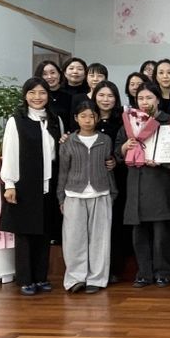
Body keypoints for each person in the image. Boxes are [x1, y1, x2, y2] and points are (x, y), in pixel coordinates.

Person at [0, 77, 64, 296]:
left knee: (44, 231)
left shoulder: (55, 120)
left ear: (48, 95)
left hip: (49, 183)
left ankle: (41, 277)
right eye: (32, 93)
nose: (37, 97)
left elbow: (58, 151)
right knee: (25, 232)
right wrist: (9, 184)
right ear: (25, 95)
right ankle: (25, 279)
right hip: (25, 183)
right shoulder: (16, 120)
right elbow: (9, 152)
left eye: (42, 93)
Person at [115, 82, 170, 288]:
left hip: (160, 182)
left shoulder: (169, 122)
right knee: (138, 232)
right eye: (140, 98)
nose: (144, 102)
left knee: (161, 233)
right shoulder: (130, 122)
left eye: (149, 98)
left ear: (158, 99)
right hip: (136, 181)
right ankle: (144, 272)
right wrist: (125, 147)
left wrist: (163, 161)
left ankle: (163, 271)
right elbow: (117, 152)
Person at [57, 100, 117, 294]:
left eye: (92, 116)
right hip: (74, 194)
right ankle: (75, 278)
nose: (88, 120)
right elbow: (63, 171)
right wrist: (61, 198)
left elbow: (109, 166)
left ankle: (96, 279)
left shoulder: (105, 140)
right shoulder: (68, 141)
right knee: (74, 239)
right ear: (76, 118)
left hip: (101, 193)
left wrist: (113, 192)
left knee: (100, 239)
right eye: (83, 116)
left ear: (98, 118)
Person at [92, 80, 130, 281]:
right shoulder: (87, 119)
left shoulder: (124, 121)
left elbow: (128, 148)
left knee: (115, 224)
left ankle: (114, 268)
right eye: (101, 95)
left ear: (116, 99)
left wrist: (116, 159)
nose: (105, 100)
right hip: (91, 181)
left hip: (117, 179)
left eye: (110, 96)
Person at [34, 60, 72, 132]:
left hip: (66, 136)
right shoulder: (37, 97)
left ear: (59, 74)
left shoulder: (70, 95)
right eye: (45, 74)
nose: (49, 77)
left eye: (53, 73)